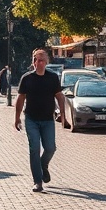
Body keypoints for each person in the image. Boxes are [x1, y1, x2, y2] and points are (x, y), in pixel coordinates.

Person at [14, 48, 70, 193]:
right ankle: (38, 182)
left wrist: (63, 115)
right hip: (31, 119)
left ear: (45, 62)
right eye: (34, 60)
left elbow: (59, 96)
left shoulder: (52, 78)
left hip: (48, 120)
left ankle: (43, 165)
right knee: (34, 149)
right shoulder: (27, 78)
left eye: (40, 60)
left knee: (51, 148)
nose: (36, 63)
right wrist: (17, 118)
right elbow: (20, 99)